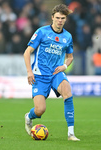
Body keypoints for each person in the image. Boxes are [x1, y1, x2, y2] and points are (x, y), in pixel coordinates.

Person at [23, 4, 80, 141]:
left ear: (65, 19)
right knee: (40, 110)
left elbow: (70, 57)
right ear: (52, 18)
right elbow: (27, 52)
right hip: (39, 75)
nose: (60, 21)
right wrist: (29, 72)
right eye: (58, 18)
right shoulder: (42, 32)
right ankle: (29, 116)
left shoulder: (67, 36)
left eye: (63, 18)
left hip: (56, 73)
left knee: (67, 91)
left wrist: (64, 67)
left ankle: (71, 134)